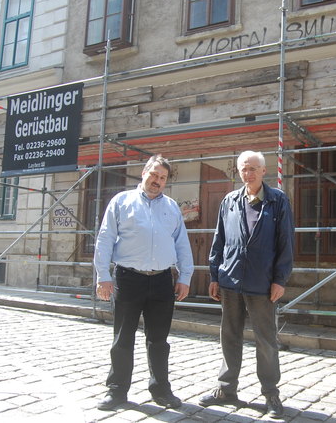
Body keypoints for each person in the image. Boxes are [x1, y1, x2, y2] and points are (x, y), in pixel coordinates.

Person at [94, 155, 194, 411]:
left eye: (162, 178)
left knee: (159, 340)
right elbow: (105, 239)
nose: (157, 181)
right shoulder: (121, 201)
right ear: (144, 173)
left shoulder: (171, 207)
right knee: (122, 338)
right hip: (128, 279)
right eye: (154, 175)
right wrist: (103, 276)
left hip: (162, 281)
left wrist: (185, 277)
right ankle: (117, 391)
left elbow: (181, 243)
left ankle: (161, 390)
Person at [199, 150, 294, 418]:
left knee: (266, 341)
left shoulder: (278, 201)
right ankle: (226, 389)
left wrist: (280, 279)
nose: (247, 173)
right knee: (229, 337)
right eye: (243, 168)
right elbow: (219, 240)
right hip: (230, 281)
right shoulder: (229, 200)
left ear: (264, 171)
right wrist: (215, 275)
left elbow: (286, 242)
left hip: (262, 284)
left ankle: (270, 393)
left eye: (252, 168)